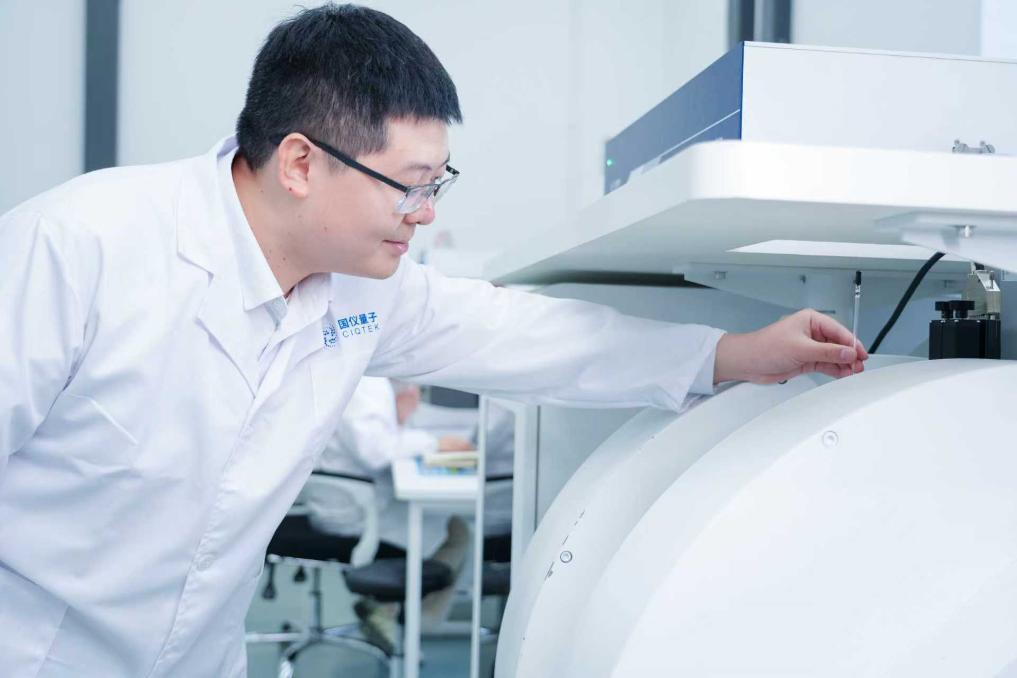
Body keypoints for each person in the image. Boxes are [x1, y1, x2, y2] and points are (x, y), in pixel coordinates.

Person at [0, 4, 867, 676]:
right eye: (409, 185)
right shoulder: (79, 247)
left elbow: (528, 335)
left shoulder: (362, 290)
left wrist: (730, 356)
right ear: (300, 163)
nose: (424, 213)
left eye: (436, 182)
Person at [303, 375, 474, 653]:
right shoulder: (368, 383)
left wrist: (398, 415)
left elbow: (370, 439)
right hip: (354, 511)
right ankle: (405, 618)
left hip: (336, 499)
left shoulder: (361, 379)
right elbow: (377, 452)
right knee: (454, 530)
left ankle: (391, 609)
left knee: (453, 527)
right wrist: (433, 443)